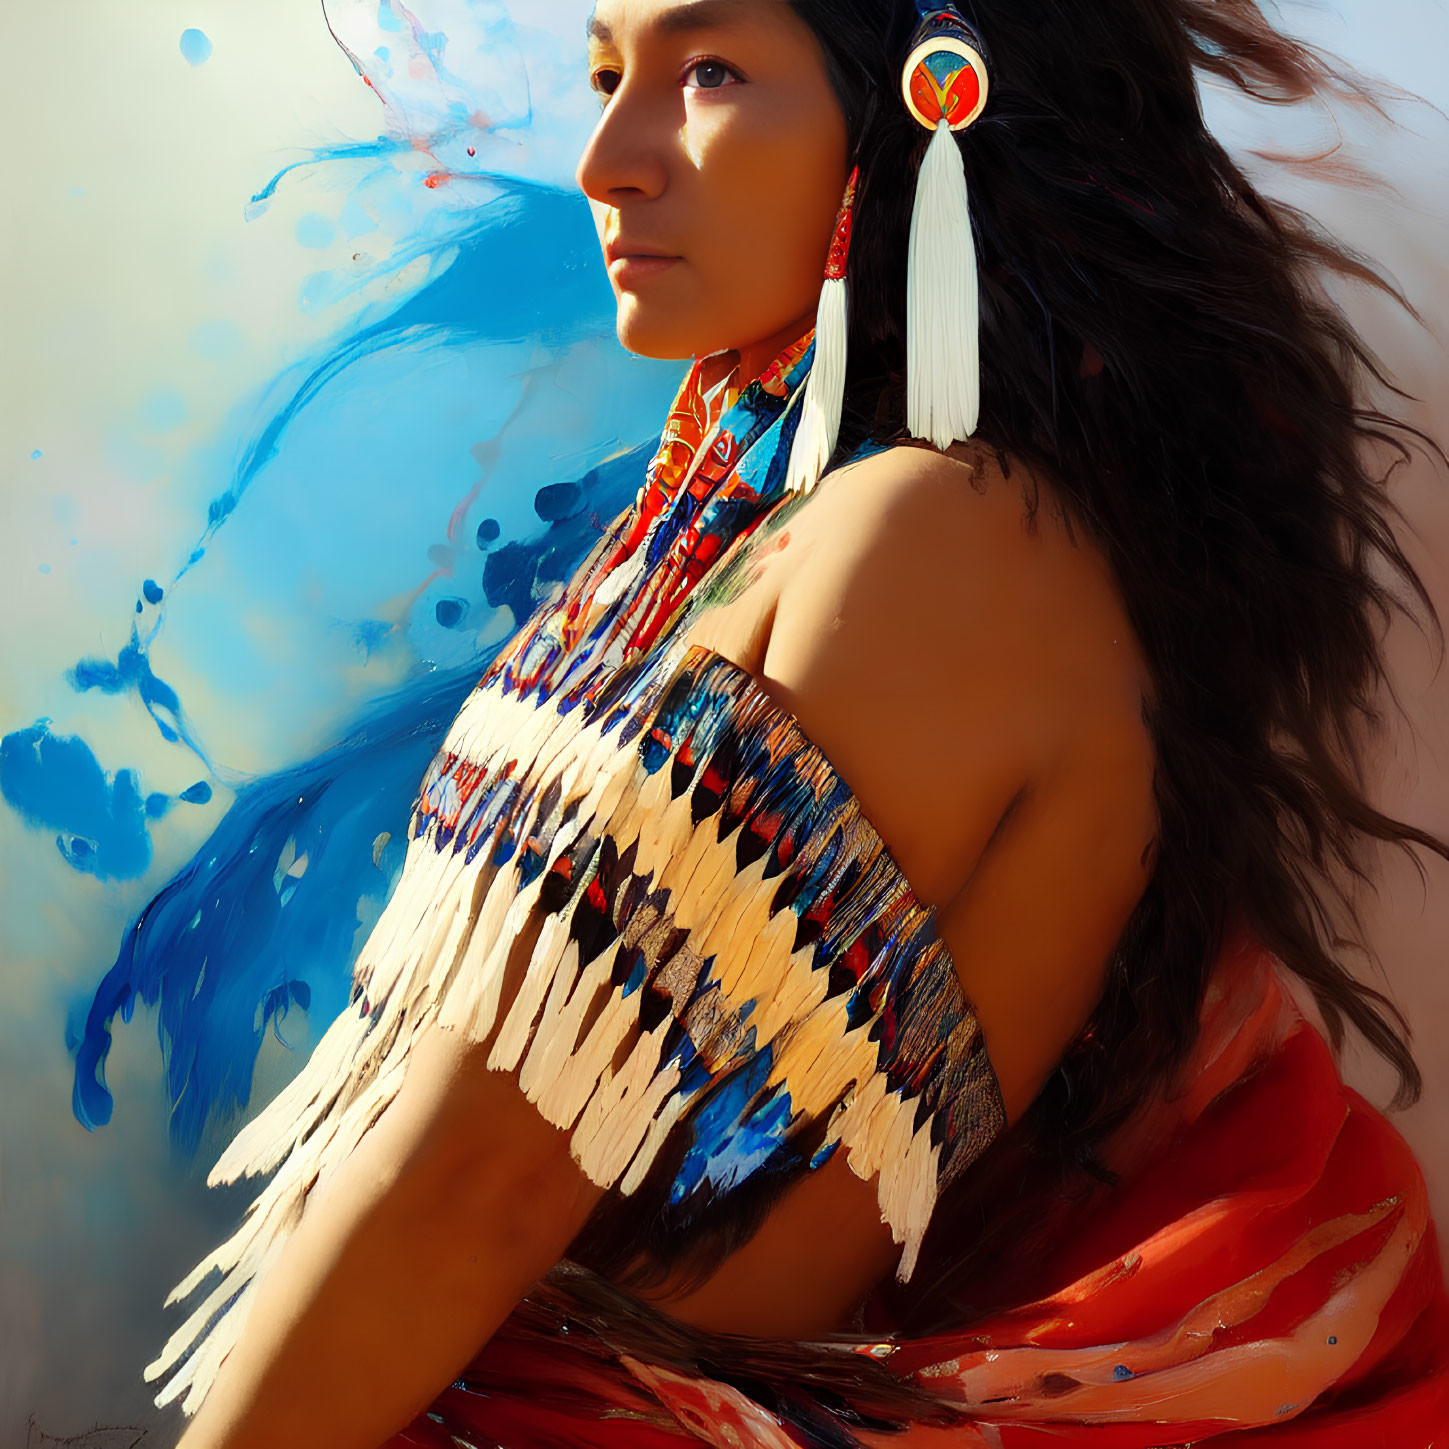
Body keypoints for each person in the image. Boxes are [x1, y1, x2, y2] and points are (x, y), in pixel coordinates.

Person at [148, 0, 1449, 1444]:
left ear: (925, 109)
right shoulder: (810, 509)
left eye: (707, 72)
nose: (605, 157)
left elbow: (481, 1182)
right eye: (604, 72)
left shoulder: (925, 538)